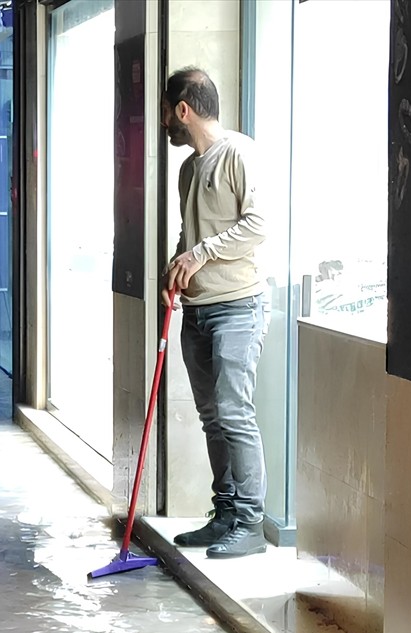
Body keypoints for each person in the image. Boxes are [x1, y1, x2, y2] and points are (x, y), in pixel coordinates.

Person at [161, 68, 269, 559]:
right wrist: (176, 267)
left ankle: (249, 523)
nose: (166, 125)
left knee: (234, 413)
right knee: (212, 417)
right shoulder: (188, 169)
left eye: (167, 114)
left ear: (182, 110)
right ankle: (224, 512)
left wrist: (200, 254)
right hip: (196, 309)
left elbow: (257, 226)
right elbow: (191, 236)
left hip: (239, 307)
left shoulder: (239, 153)